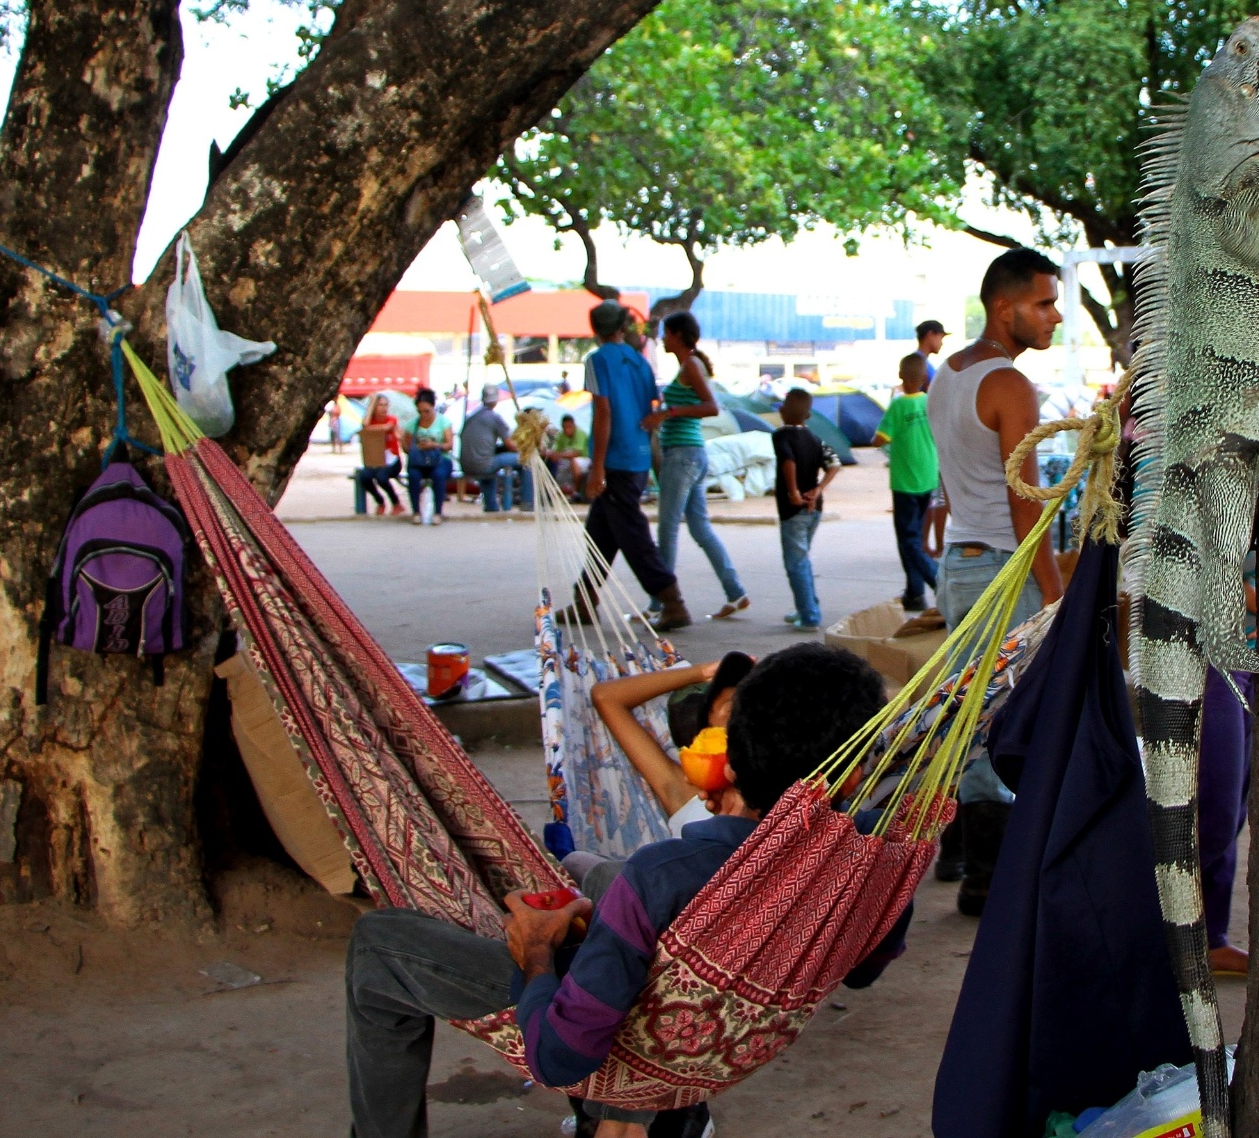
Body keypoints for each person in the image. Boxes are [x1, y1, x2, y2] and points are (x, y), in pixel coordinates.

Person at [342, 643, 904, 1138]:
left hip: (627, 1050)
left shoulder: (664, 872)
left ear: (727, 762)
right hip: (721, 1047)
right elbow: (862, 971)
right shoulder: (878, 865)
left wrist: (535, 953)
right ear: (854, 774)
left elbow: (559, 1055)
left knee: (378, 942)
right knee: (588, 877)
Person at [924, 247, 1066, 915]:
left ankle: (956, 847)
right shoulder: (1009, 383)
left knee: (968, 711)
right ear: (1004, 307)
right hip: (1003, 570)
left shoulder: (945, 375)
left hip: (959, 564)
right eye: (1043, 302)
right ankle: (987, 875)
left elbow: (959, 486)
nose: (1056, 316)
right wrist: (1056, 588)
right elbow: (1025, 499)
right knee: (1004, 720)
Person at [575, 650, 758, 900]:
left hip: (742, 903)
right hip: (683, 908)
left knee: (599, 871)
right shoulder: (682, 787)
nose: (742, 719)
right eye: (730, 711)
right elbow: (606, 696)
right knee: (579, 863)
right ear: (703, 736)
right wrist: (703, 671)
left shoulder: (776, 785)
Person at [581, 301, 691, 629]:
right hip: (638, 455)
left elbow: (604, 413)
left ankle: (672, 601)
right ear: (622, 326)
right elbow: (648, 409)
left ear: (595, 329)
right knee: (600, 530)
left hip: (615, 458)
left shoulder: (596, 360)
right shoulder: (640, 363)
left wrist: (597, 466)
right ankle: (584, 598)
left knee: (632, 533)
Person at [642, 312, 750, 621]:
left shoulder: (691, 365)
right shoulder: (690, 365)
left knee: (668, 529)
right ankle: (735, 591)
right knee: (700, 528)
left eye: (666, 333)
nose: (662, 338)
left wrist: (668, 413)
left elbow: (711, 407)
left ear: (678, 334)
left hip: (683, 456)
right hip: (691, 455)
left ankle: (661, 603)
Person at [873, 351, 940, 612]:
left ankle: (937, 581)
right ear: (925, 378)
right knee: (916, 533)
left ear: (900, 376)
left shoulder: (898, 405)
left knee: (908, 540)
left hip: (905, 481)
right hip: (927, 477)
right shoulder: (930, 402)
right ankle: (914, 592)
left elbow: (879, 438)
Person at [772, 388, 839, 631]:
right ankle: (806, 605)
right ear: (809, 415)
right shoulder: (814, 438)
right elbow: (834, 463)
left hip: (794, 509)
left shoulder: (780, 436)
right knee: (803, 559)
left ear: (782, 410)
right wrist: (818, 489)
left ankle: (809, 615)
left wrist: (793, 492)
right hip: (815, 507)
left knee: (796, 563)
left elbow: (787, 461)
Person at [459, 386, 533, 514]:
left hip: (466, 464)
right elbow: (510, 444)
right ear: (496, 399)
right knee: (526, 461)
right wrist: (527, 450)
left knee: (489, 466)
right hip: (484, 463)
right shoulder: (494, 417)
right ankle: (528, 503)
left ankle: (491, 506)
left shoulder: (472, 416)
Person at [398, 387, 453, 525]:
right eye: (420, 412)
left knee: (438, 475)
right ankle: (416, 511)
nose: (424, 415)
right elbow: (407, 449)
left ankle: (438, 512)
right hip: (419, 460)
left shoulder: (443, 422)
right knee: (413, 475)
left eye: (426, 411)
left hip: (440, 458)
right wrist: (403, 440)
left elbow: (449, 445)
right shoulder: (413, 425)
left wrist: (435, 445)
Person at [356, 394, 405, 517]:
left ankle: (396, 503)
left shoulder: (391, 419)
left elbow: (385, 427)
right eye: (380, 405)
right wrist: (371, 404)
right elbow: (365, 425)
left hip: (392, 461)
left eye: (385, 405)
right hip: (375, 460)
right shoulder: (370, 420)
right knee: (364, 476)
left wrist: (370, 429)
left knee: (382, 477)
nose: (383, 408)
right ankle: (380, 501)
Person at [543, 412, 590, 495]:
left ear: (573, 425)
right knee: (554, 462)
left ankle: (576, 491)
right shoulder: (561, 435)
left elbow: (576, 453)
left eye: (569, 427)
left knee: (574, 461)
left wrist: (558, 455)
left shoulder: (580, 433)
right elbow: (556, 450)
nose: (567, 430)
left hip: (585, 459)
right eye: (564, 427)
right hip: (567, 460)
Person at [915, 319, 948, 388]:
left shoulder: (923, 362)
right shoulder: (918, 364)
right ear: (930, 335)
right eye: (941, 337)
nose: (941, 343)